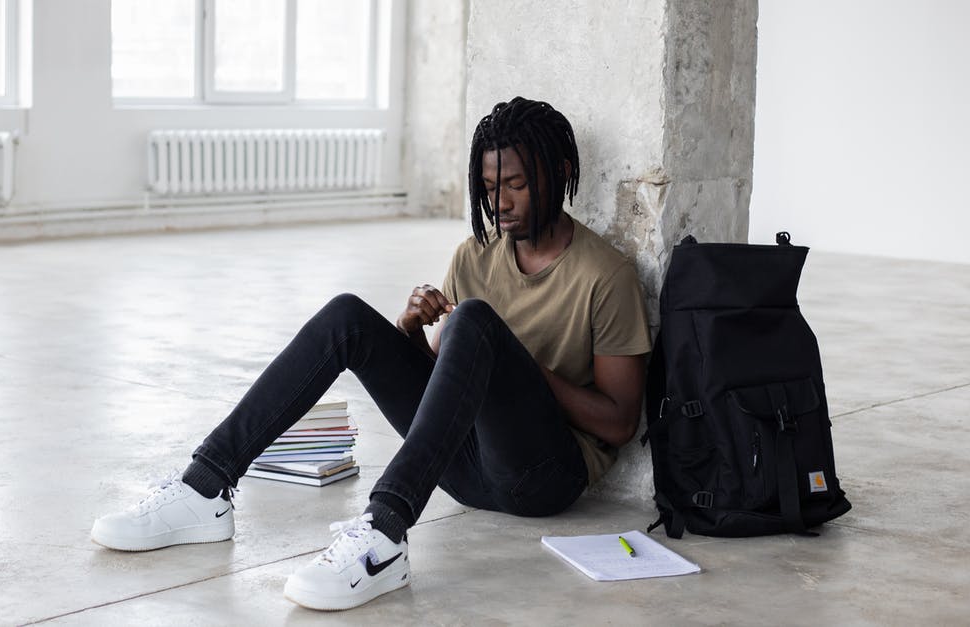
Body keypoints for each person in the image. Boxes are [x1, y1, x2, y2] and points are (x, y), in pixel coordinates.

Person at [90, 96, 652, 611]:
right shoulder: (475, 256)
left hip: (542, 480)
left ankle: (384, 534)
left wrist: (518, 361)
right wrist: (409, 332)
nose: (498, 202)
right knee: (347, 317)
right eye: (488, 185)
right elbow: (447, 391)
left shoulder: (605, 276)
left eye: (516, 185)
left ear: (562, 173)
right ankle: (204, 486)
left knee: (476, 320)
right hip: (465, 470)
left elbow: (621, 421)